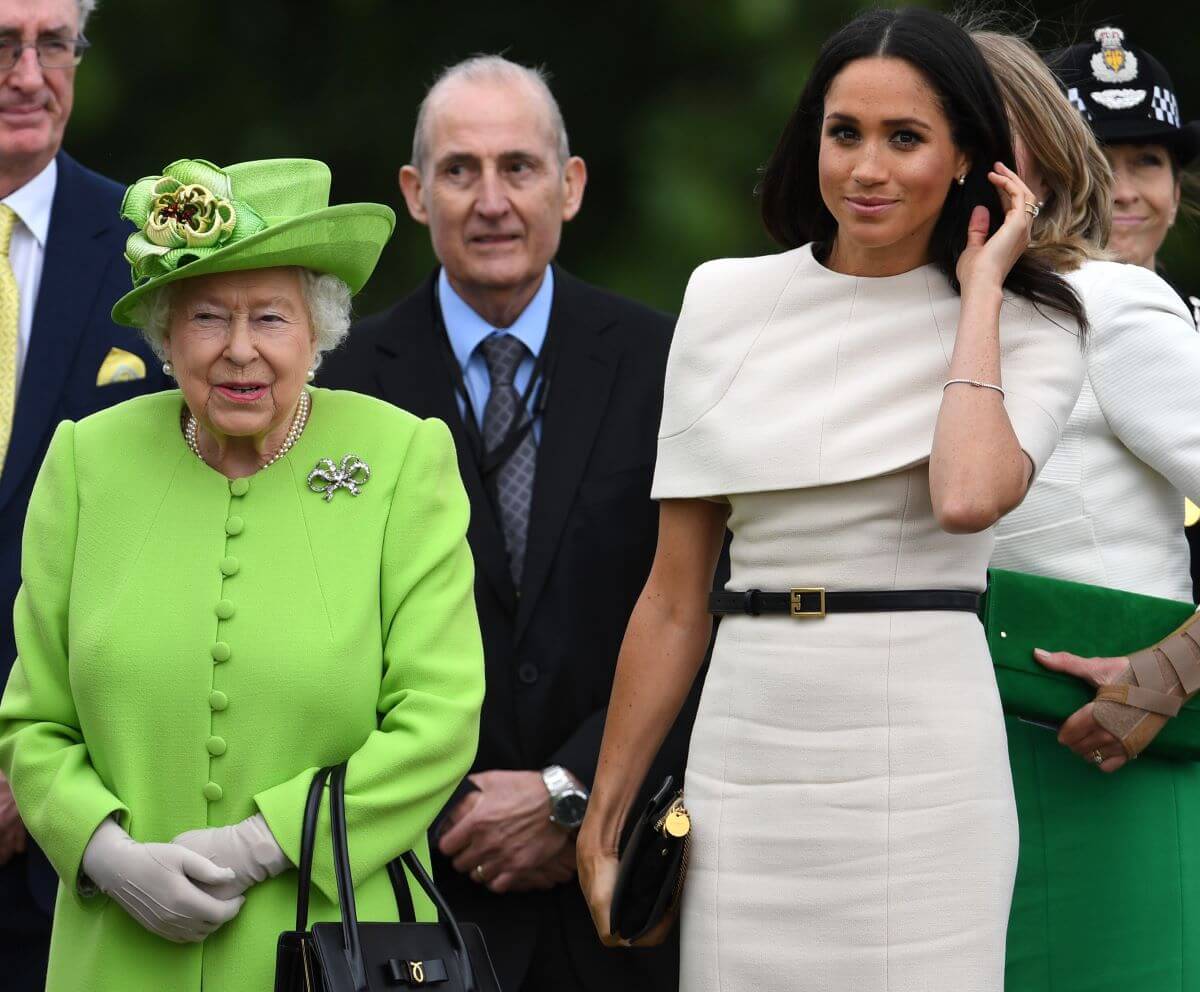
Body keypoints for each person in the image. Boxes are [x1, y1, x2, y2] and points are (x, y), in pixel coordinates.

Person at [577, 8, 1086, 991]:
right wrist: (607, 811)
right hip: (747, 748)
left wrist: (981, 289)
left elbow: (968, 493)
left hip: (926, 763)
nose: (867, 167)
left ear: (968, 157)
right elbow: (676, 595)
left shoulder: (1031, 324)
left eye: (906, 138)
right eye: (844, 131)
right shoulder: (724, 300)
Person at [0, 155, 485, 992]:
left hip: (335, 948)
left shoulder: (402, 456)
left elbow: (438, 719)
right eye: (206, 318)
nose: (239, 351)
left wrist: (263, 844)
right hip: (118, 952)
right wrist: (106, 854)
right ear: (164, 332)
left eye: (270, 317)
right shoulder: (87, 459)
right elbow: (34, 724)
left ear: (318, 330)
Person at [319, 55, 701, 992]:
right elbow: (322, 630)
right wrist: (446, 799)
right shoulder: (339, 384)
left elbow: (709, 609)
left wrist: (569, 792)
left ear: (569, 186)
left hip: (621, 888)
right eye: (460, 170)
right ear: (415, 193)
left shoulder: (669, 362)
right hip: (413, 892)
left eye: (519, 167)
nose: (491, 200)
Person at [974, 29, 1200, 991]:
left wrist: (1180, 665)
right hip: (940, 767)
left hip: (1103, 751)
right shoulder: (909, 316)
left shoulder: (1110, 304)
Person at [0, 2, 169, 984]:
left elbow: (180, 526)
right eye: (1, 44)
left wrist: (37, 770)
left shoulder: (155, 254)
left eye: (51, 43)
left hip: (83, 840)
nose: (29, 75)